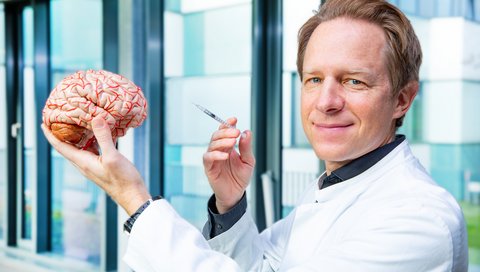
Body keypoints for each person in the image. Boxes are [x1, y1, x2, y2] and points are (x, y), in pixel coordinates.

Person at [42, 0, 468, 271]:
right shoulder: (337, 185)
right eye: (314, 79)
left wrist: (134, 200)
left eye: (354, 81)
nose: (326, 102)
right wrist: (230, 205)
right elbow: (262, 266)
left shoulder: (418, 221)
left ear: (402, 99)